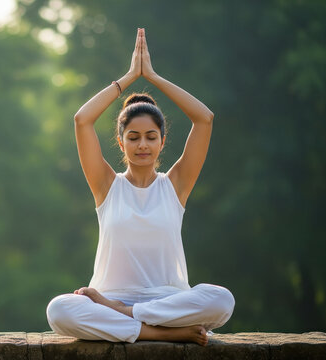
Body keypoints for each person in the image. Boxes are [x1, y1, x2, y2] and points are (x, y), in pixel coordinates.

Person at [45, 28, 234, 346]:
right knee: (59, 310)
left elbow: (204, 118)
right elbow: (82, 120)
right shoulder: (107, 186)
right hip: (109, 299)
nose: (142, 144)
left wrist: (154, 77)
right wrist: (130, 77)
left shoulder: (176, 185)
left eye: (151, 136)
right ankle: (154, 332)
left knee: (222, 300)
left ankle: (129, 315)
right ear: (121, 141)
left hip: (164, 302)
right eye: (133, 137)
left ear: (162, 141)